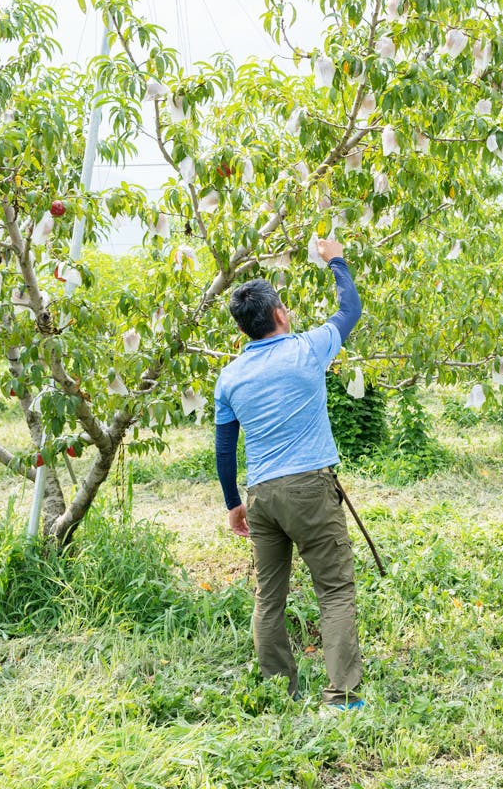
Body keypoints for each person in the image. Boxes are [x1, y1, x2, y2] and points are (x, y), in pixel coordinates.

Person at [213, 238, 364, 710]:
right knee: (335, 591)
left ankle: (282, 692)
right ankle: (341, 698)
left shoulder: (230, 376)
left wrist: (232, 504)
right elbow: (351, 308)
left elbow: (223, 449)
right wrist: (335, 259)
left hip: (260, 496)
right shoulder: (307, 349)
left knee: (269, 597)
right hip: (309, 490)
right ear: (279, 314)